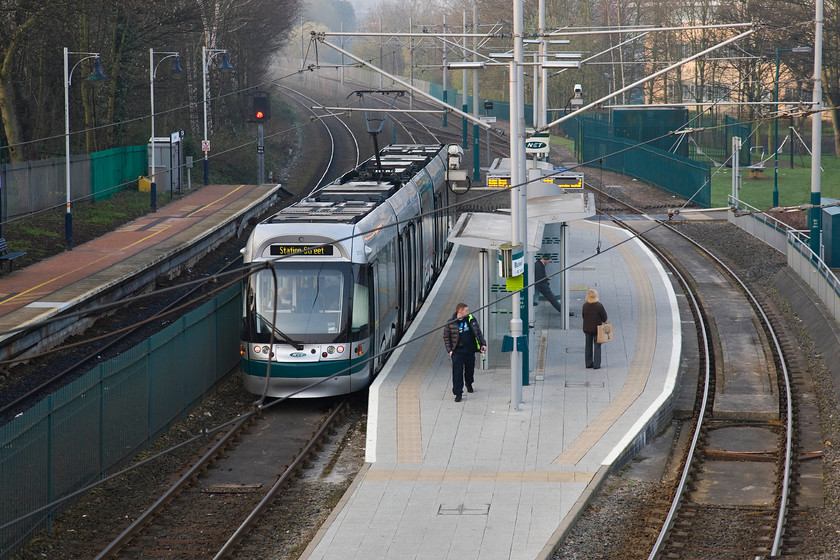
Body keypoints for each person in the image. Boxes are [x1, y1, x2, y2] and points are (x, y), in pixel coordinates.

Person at [443, 303, 487, 402]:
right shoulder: (451, 323)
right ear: (460, 311)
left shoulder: (471, 320)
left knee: (470, 369)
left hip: (470, 349)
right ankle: (458, 393)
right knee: (457, 372)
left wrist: (483, 343)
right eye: (466, 310)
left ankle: (469, 382)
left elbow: (478, 332)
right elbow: (446, 337)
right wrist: (450, 350)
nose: (468, 312)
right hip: (457, 351)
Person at [581, 289, 608, 369]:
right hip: (597, 329)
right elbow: (604, 318)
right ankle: (596, 364)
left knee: (588, 346)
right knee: (597, 347)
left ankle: (588, 363)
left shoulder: (585, 305)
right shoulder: (599, 306)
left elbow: (583, 316)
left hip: (587, 329)